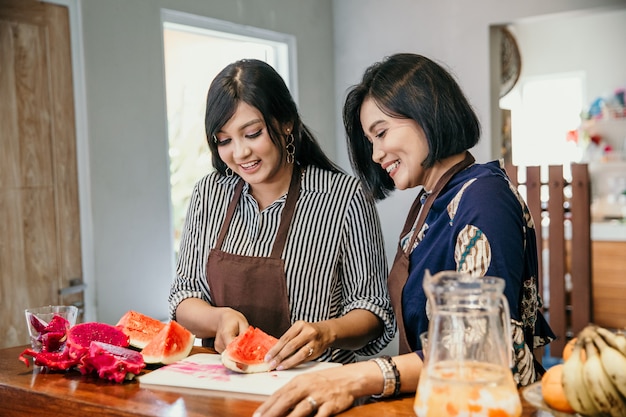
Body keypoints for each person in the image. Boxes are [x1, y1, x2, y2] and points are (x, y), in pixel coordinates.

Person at [253, 53, 555, 417]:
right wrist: (328, 334)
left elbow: (480, 351)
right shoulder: (432, 200)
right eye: (370, 141)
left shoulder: (483, 198)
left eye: (381, 133)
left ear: (426, 112)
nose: (377, 153)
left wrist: (356, 378)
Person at [168, 59, 395, 368]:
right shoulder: (208, 194)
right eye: (224, 140)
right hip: (222, 385)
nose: (240, 153)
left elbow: (373, 308)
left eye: (252, 133)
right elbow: (184, 294)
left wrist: (326, 332)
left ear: (286, 121)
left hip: (315, 387)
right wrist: (217, 318)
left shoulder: (344, 197)